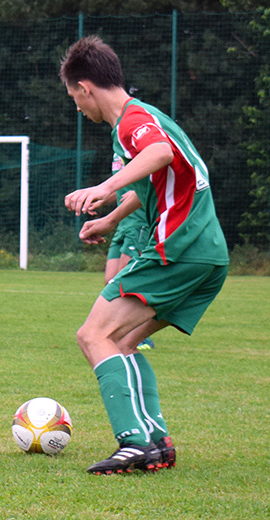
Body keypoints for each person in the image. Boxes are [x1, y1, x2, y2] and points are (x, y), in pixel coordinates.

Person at [60, 36, 228, 474]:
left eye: (74, 98)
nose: (77, 107)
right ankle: (156, 441)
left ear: (86, 87)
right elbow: (160, 175)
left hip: (178, 249)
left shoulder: (133, 121)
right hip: (206, 254)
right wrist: (112, 218)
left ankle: (134, 443)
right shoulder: (148, 116)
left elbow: (159, 153)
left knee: (92, 335)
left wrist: (104, 186)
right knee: (123, 341)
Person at [105, 156, 154, 351]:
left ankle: (141, 336)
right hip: (123, 224)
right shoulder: (118, 148)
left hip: (139, 223)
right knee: (110, 280)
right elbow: (119, 192)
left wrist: (138, 193)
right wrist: (97, 199)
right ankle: (120, 331)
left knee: (126, 281)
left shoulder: (140, 142)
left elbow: (160, 181)